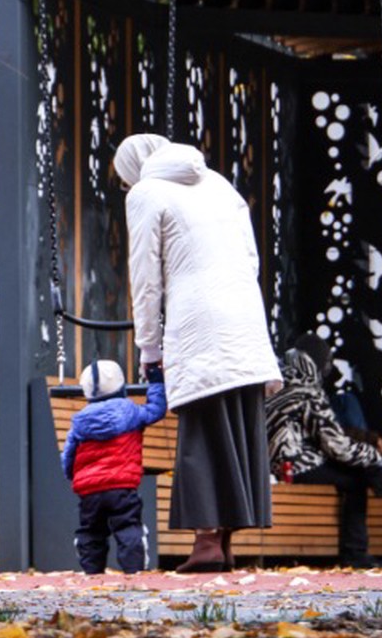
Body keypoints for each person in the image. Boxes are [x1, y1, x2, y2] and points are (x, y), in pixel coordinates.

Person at [114, 133, 281, 573]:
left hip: (197, 318)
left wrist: (149, 346)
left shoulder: (147, 193)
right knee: (237, 422)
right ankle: (225, 544)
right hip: (245, 314)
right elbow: (251, 257)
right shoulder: (219, 183)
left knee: (201, 429)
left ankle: (206, 543)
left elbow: (145, 275)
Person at [265, 337, 382, 569]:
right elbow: (335, 445)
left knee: (352, 471)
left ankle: (381, 479)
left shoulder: (277, 383)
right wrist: (373, 457)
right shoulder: (307, 389)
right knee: (356, 480)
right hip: (296, 465)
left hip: (271, 466)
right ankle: (356, 553)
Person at [60, 359, 167, 574]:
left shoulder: (80, 422)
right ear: (121, 387)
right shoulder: (131, 413)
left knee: (91, 531)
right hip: (121, 486)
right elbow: (156, 410)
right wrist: (155, 381)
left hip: (89, 491)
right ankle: (133, 571)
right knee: (127, 526)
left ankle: (92, 572)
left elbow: (68, 456)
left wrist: (73, 475)